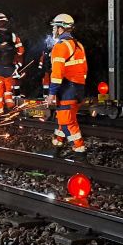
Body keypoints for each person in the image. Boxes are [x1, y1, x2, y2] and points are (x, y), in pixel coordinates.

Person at [46, 13, 88, 161]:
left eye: (55, 27)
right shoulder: (78, 45)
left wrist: (51, 94)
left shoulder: (60, 46)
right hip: (78, 89)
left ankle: (79, 151)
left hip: (66, 89)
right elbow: (84, 69)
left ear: (61, 28)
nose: (54, 30)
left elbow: (57, 73)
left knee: (67, 122)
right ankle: (57, 146)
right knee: (63, 118)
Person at [0, 13, 24, 116]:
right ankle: (10, 107)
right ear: (6, 22)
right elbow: (21, 51)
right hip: (9, 68)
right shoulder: (13, 35)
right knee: (8, 90)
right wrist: (15, 56)